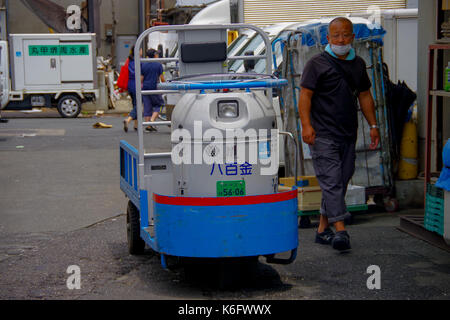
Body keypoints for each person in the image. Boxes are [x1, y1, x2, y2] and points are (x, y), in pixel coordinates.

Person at [298, 17, 380, 251]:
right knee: (332, 181)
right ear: (328, 38)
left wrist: (373, 126)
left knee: (341, 180)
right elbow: (305, 96)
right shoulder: (316, 63)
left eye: (346, 35)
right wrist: (306, 125)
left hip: (348, 133)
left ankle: (323, 229)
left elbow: (365, 96)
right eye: (336, 36)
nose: (341, 40)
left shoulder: (358, 64)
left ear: (353, 37)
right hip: (322, 133)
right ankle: (341, 231)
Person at [142, 48, 165, 132]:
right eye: (157, 54)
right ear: (155, 55)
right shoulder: (158, 65)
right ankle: (152, 121)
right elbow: (162, 78)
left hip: (145, 87)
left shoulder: (143, 64)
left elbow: (141, 78)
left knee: (147, 106)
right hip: (154, 87)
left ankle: (148, 125)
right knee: (160, 104)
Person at [123, 46, 144, 132]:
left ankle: (136, 125)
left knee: (135, 104)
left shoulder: (129, 60)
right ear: (138, 51)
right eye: (141, 50)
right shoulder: (140, 61)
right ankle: (128, 120)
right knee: (139, 105)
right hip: (138, 84)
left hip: (130, 84)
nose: (142, 52)